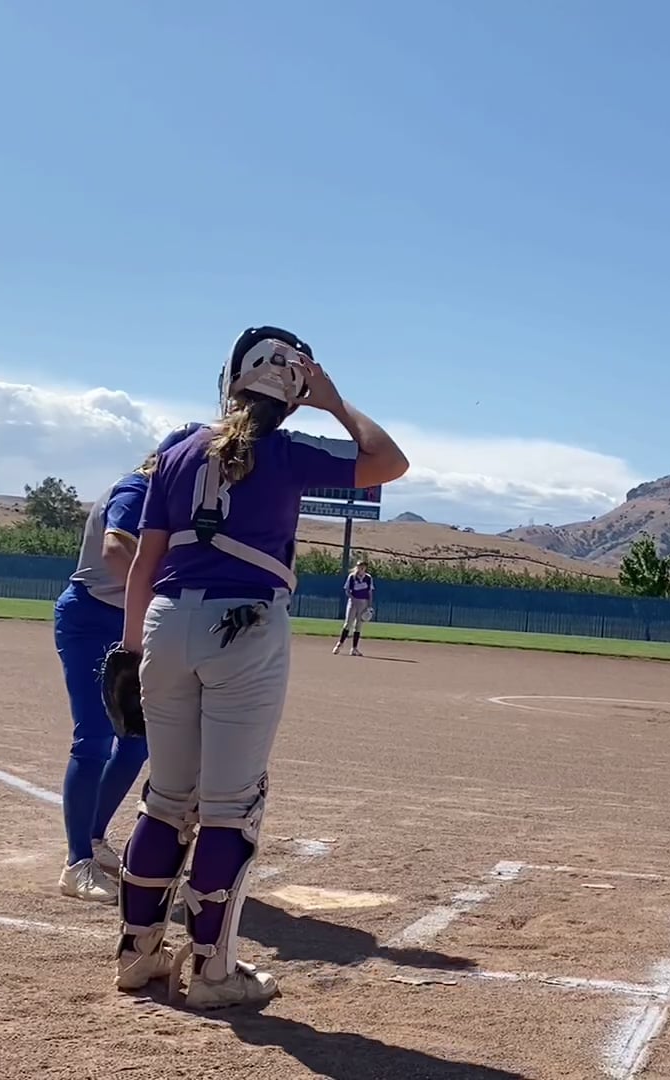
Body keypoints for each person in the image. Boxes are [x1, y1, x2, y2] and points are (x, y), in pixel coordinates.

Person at [114, 326, 408, 1008]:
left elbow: (144, 565)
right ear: (291, 396)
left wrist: (130, 651)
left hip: (166, 624)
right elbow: (389, 462)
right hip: (244, 628)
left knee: (166, 799)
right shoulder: (287, 453)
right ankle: (213, 974)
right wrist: (333, 401)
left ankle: (137, 954)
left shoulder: (177, 450)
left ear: (230, 381)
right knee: (230, 809)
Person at [51, 424, 202, 904]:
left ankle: (94, 838)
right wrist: (164, 595)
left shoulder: (172, 503)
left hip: (129, 619)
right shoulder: (137, 489)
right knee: (93, 739)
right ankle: (76, 864)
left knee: (135, 742)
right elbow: (116, 549)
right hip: (91, 618)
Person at [333, 559, 374, 656]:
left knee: (358, 626)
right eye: (360, 566)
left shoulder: (368, 578)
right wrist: (353, 598)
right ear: (357, 567)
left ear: (365, 568)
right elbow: (347, 590)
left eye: (363, 566)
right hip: (353, 602)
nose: (361, 568)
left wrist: (369, 605)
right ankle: (339, 644)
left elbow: (370, 592)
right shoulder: (352, 577)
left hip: (363, 603)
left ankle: (354, 649)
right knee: (348, 623)